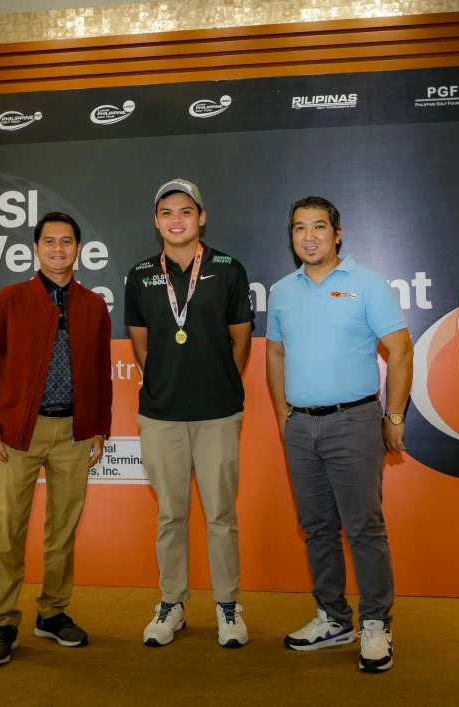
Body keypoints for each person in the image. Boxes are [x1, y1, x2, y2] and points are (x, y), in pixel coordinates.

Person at [264, 196, 413, 673]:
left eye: (319, 227)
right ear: (291, 236)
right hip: (300, 426)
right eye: (299, 228)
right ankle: (333, 618)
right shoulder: (282, 291)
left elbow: (400, 350)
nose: (309, 237)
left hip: (354, 422)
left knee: (364, 527)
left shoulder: (367, 284)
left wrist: (393, 417)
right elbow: (274, 353)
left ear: (338, 233)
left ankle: (376, 623)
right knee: (317, 528)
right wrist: (283, 413)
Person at [0, 212, 113, 666]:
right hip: (17, 437)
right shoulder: (8, 300)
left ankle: (52, 613)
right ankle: (2, 621)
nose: (58, 249)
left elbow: (102, 375)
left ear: (78, 249)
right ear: (36, 248)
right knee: (8, 530)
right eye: (49, 241)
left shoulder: (94, 306)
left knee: (62, 532)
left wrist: (100, 428)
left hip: (74, 434)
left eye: (66, 241)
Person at [123, 178, 254, 648]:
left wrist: (218, 383)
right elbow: (141, 346)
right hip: (161, 414)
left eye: (185, 211)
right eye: (167, 213)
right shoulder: (140, 275)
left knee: (220, 513)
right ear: (156, 222)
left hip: (217, 412)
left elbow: (241, 339)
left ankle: (227, 604)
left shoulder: (228, 268)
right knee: (170, 515)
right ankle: (172, 602)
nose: (176, 220)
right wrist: (169, 382)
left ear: (201, 217)